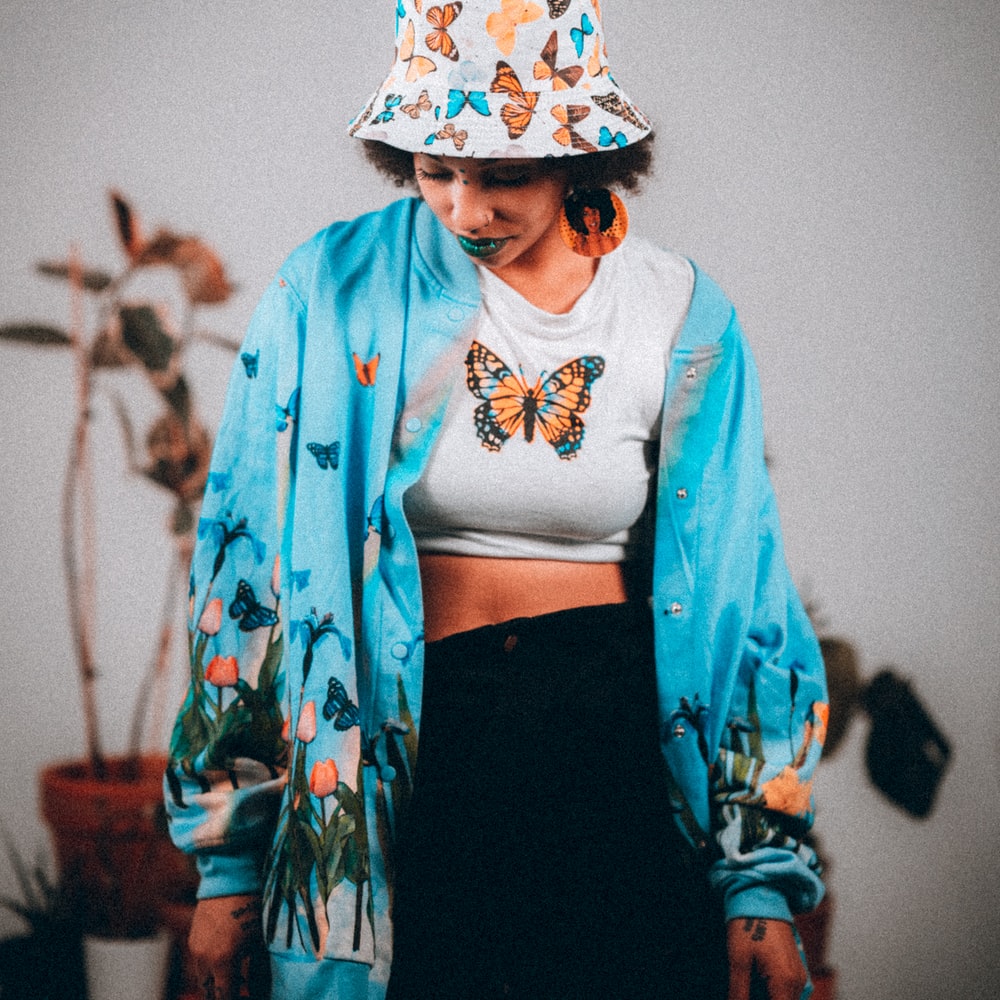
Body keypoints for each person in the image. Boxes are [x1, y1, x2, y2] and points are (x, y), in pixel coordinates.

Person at [165, 3, 828, 999]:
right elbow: (246, 560)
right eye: (437, 168)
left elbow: (741, 591)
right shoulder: (331, 290)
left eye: (504, 174)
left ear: (579, 155)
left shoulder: (677, 312)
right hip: (414, 749)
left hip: (609, 750)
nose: (465, 209)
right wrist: (226, 860)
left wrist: (759, 884)